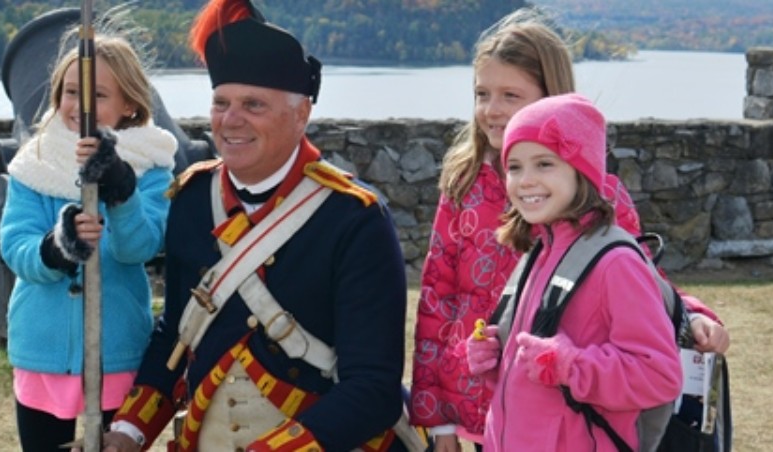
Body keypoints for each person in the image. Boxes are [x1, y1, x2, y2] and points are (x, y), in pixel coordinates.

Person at [409, 8, 729, 452]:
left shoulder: (601, 198)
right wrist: (437, 415)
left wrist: (693, 317)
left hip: (565, 418)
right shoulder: (462, 186)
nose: (491, 110)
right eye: (482, 93)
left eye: (510, 95)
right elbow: (436, 300)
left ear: (551, 99)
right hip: (478, 407)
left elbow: (639, 283)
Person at [99, 0, 410, 450]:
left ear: (301, 114)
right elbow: (177, 332)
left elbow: (373, 389)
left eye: (253, 104)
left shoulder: (355, 218)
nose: (231, 120)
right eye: (221, 103)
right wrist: (130, 430)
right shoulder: (191, 199)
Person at [0, 25, 179, 452]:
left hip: (116, 350)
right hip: (42, 348)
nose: (80, 107)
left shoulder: (152, 168)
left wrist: (122, 191)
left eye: (98, 96)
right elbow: (15, 247)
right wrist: (57, 247)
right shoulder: (34, 163)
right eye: (71, 93)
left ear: (130, 105)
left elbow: (141, 246)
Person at [466, 92, 681, 450]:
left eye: (544, 164)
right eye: (515, 166)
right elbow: (536, 372)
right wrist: (496, 358)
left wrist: (571, 366)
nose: (525, 180)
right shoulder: (539, 251)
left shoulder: (617, 263)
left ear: (582, 170)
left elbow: (659, 375)